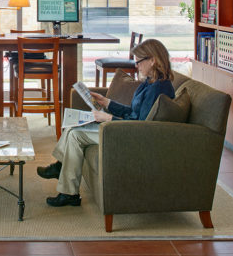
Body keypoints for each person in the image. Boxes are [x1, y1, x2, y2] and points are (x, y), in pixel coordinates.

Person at [37, 38, 175, 207]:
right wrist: (106, 102)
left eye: (138, 61)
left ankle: (68, 189)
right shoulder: (149, 83)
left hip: (130, 136)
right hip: (126, 129)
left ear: (153, 60)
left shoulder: (159, 89)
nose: (136, 66)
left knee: (75, 135)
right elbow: (132, 112)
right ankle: (61, 170)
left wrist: (108, 118)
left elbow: (140, 125)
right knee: (74, 126)